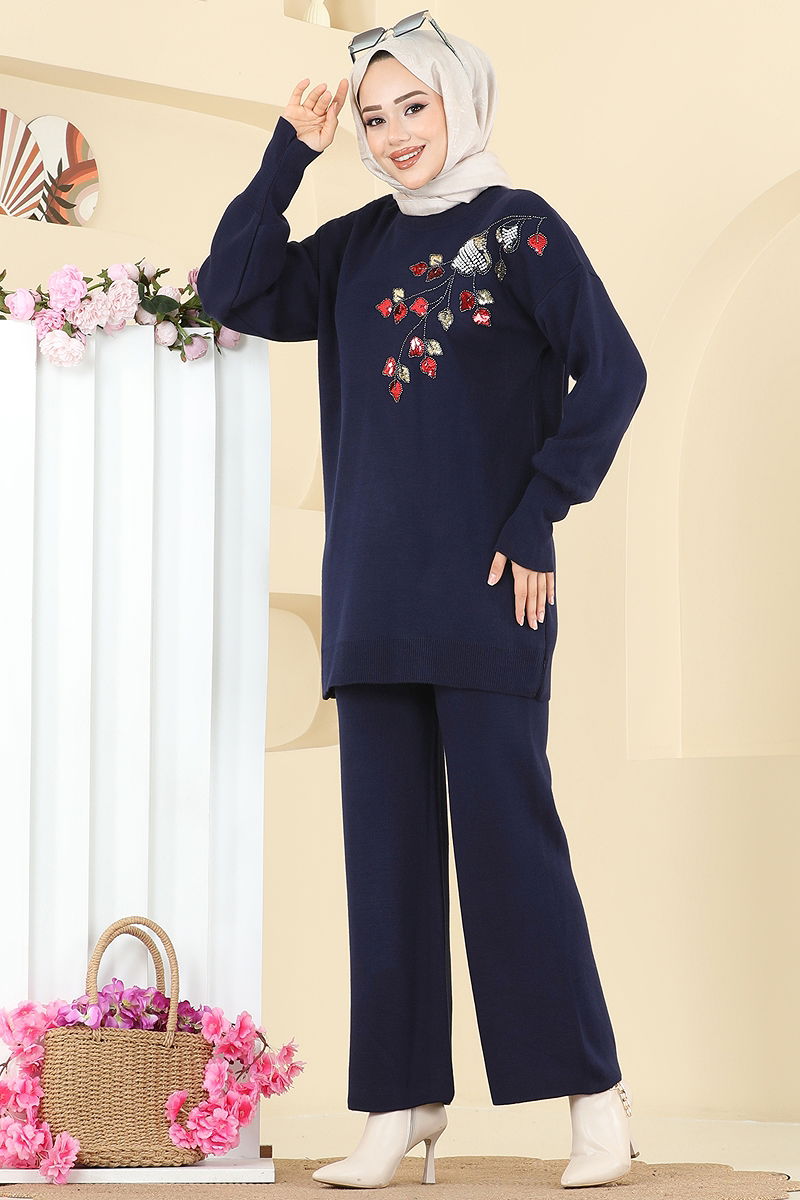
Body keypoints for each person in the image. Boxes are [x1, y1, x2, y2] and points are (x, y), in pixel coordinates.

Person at [196, 13, 647, 1190]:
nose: (395, 133)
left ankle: (593, 1099)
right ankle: (399, 1107)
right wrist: (287, 154)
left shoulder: (521, 231)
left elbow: (613, 370)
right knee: (384, 867)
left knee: (511, 855)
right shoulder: (352, 245)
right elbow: (230, 288)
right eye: (375, 115)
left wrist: (539, 509)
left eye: (414, 106)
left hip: (491, 590)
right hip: (371, 599)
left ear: (460, 102)